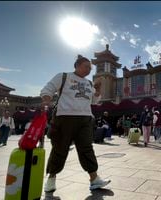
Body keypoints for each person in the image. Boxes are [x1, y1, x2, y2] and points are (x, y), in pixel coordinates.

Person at [40, 55, 110, 197]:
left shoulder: (89, 83)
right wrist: (46, 99)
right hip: (64, 118)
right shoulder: (64, 77)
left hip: (85, 119)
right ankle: (51, 178)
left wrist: (97, 90)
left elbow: (94, 101)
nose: (89, 70)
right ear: (77, 66)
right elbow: (48, 89)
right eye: (86, 67)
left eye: (90, 68)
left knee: (86, 148)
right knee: (60, 148)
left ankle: (94, 179)